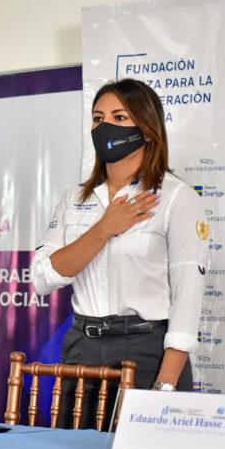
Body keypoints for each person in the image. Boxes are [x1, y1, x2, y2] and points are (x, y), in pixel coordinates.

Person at [31, 78, 209, 421]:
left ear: (147, 129)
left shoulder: (176, 197)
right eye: (98, 119)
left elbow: (188, 298)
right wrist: (104, 228)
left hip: (146, 351)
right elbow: (42, 278)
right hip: (82, 348)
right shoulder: (74, 199)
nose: (105, 127)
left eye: (119, 117)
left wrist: (166, 385)